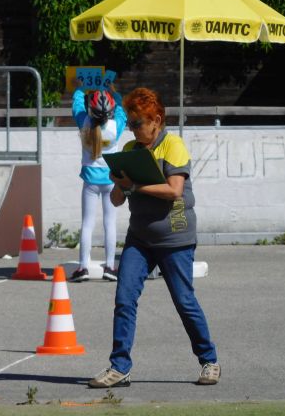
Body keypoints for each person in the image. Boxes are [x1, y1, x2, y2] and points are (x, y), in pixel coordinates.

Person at [88, 87, 220, 387]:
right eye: (130, 123)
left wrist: (134, 186)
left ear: (156, 120)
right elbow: (116, 201)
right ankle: (119, 367)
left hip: (175, 239)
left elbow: (174, 190)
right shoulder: (130, 149)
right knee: (124, 300)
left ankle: (209, 360)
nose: (133, 130)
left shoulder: (173, 145)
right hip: (140, 239)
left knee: (184, 301)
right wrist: (120, 184)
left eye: (137, 123)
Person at [70, 82, 127, 282]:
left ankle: (83, 268)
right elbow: (122, 110)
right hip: (111, 179)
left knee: (87, 224)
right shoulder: (116, 127)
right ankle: (110, 267)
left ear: (91, 110)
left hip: (90, 181)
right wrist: (114, 93)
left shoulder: (83, 122)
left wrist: (79, 89)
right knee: (109, 223)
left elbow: (76, 105)